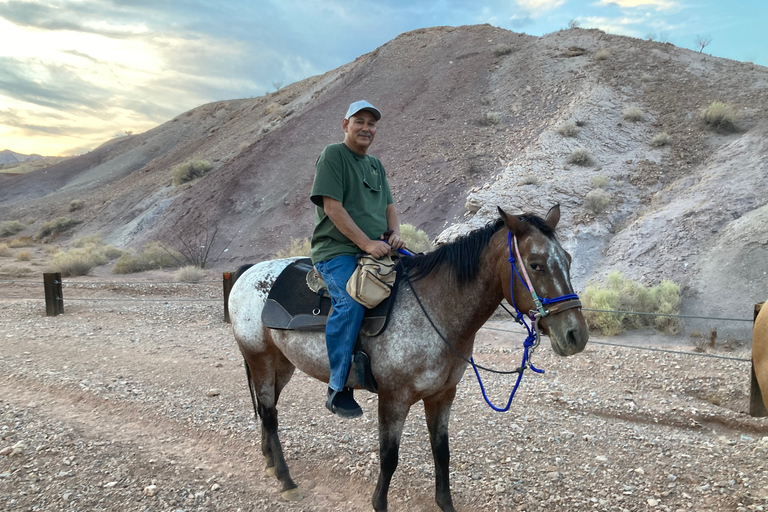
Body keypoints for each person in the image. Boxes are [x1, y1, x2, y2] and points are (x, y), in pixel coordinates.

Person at [310, 100, 405, 418]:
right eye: (359, 121)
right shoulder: (333, 155)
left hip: (377, 249)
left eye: (372, 124)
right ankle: (338, 386)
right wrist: (366, 243)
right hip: (337, 251)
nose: (366, 128)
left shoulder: (375, 165)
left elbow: (389, 206)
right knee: (351, 301)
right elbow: (332, 208)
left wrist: (394, 233)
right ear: (345, 125)